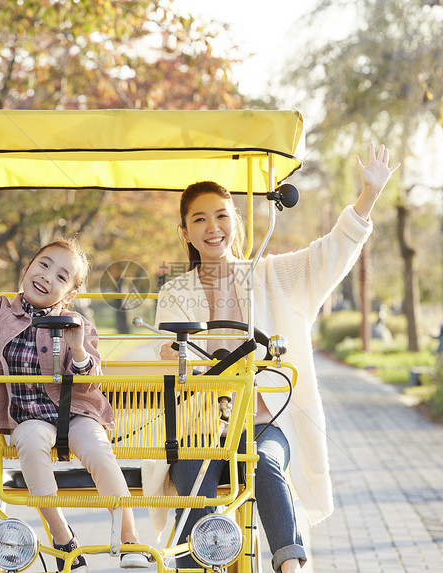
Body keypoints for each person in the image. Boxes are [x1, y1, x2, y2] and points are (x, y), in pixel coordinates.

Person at [146, 143, 399, 573]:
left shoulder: (269, 273)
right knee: (192, 479)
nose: (212, 227)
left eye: (221, 216)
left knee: (262, 462)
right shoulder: (176, 292)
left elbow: (330, 253)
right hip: (201, 429)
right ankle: (202, 566)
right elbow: (173, 354)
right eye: (199, 219)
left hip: (265, 424)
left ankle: (289, 567)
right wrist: (173, 353)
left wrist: (368, 195)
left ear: (236, 222)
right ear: (184, 233)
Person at [0, 203, 150, 572]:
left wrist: (78, 347)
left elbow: (90, 379)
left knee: (97, 451)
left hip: (75, 412)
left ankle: (130, 538)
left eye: (62, 276)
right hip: (26, 415)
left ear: (68, 294)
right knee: (30, 444)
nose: (48, 276)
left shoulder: (75, 323)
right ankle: (62, 536)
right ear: (28, 267)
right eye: (44, 264)